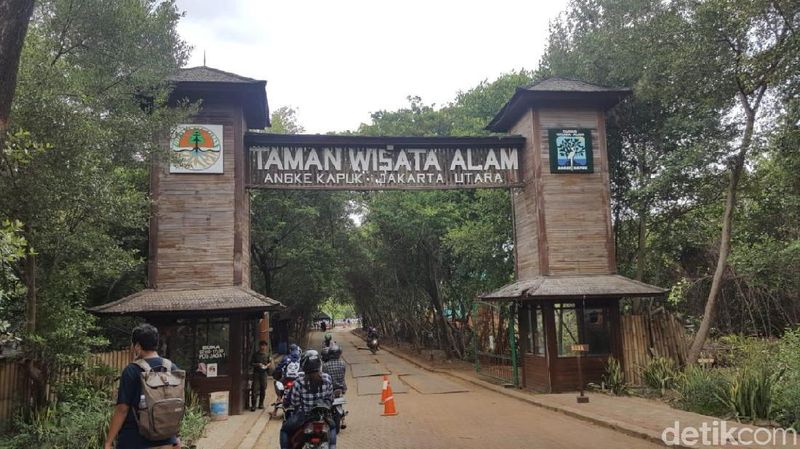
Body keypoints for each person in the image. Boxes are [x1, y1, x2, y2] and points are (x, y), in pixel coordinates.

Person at [104, 323, 180, 449]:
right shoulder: (171, 367)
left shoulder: (131, 370)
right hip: (167, 440)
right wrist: (176, 437)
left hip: (135, 440)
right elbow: (175, 405)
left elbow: (122, 409)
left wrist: (108, 442)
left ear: (138, 346)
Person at [280, 350, 335, 449]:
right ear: (319, 363)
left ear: (304, 365)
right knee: (333, 427)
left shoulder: (299, 382)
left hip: (303, 417)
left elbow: (294, 402)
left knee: (284, 431)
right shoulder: (327, 378)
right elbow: (330, 398)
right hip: (323, 417)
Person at [250, 340, 272, 411]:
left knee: (263, 389)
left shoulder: (267, 355)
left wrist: (267, 366)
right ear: (259, 346)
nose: (263, 347)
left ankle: (261, 404)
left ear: (266, 347)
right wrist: (258, 364)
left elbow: (270, 362)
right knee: (255, 389)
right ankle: (253, 405)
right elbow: (251, 363)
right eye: (262, 345)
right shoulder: (255, 355)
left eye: (264, 346)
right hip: (256, 373)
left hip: (264, 374)